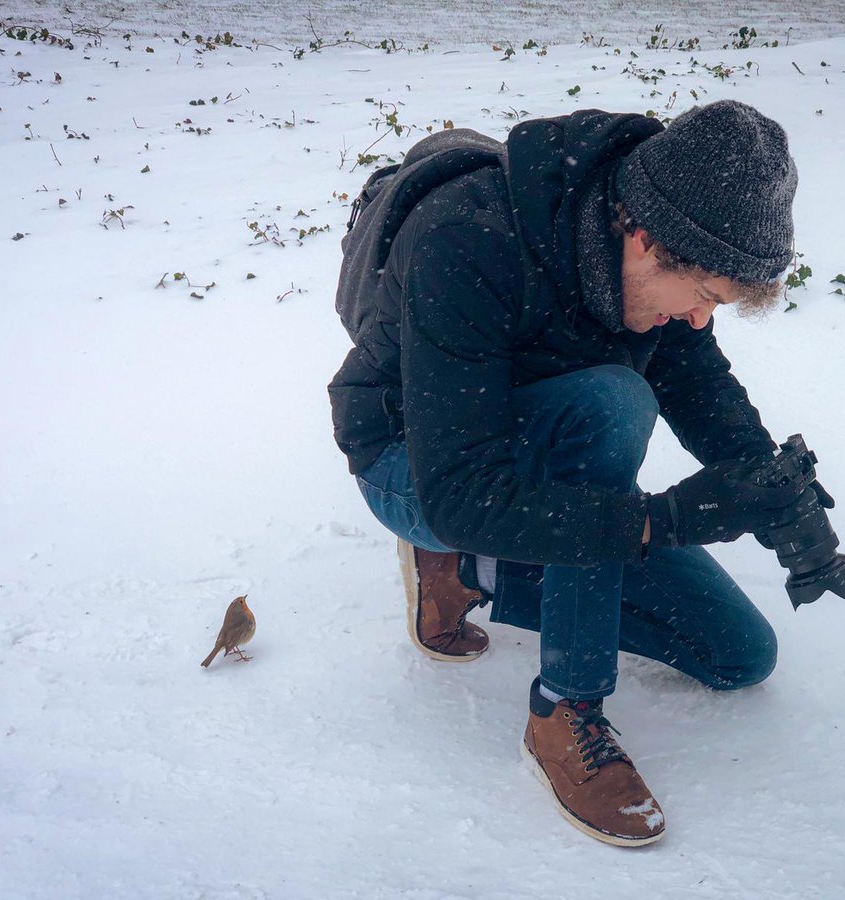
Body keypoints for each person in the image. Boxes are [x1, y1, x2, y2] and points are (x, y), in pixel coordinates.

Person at [329, 101, 806, 846]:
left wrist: (767, 481)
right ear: (646, 240)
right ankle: (564, 709)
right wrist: (663, 522)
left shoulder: (656, 250)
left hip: (544, 464)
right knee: (614, 403)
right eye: (707, 297)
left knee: (738, 654)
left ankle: (473, 570)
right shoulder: (466, 241)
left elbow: (698, 382)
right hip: (417, 463)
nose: (701, 319)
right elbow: (458, 495)